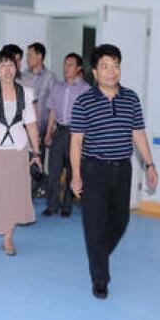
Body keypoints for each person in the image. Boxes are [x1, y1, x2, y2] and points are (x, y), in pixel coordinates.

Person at [70, 44, 158, 300]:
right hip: (94, 169)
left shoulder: (130, 98)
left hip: (122, 169)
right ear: (95, 72)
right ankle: (100, 279)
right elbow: (76, 142)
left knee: (121, 220)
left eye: (116, 66)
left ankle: (97, 254)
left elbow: (138, 133)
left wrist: (150, 164)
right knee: (95, 224)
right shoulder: (84, 101)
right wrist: (76, 175)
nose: (111, 72)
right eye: (105, 67)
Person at [0, 50, 41, 256]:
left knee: (13, 194)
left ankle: (7, 237)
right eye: (3, 65)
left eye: (11, 65)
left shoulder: (26, 93)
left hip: (18, 149)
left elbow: (31, 125)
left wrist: (36, 153)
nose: (7, 69)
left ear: (16, 68)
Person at [42, 53, 90, 217]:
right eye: (65, 64)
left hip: (76, 135)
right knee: (53, 171)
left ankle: (67, 206)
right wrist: (49, 131)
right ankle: (52, 205)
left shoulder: (85, 89)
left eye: (70, 65)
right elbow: (52, 111)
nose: (66, 68)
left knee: (72, 171)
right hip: (59, 133)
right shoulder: (57, 87)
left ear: (78, 68)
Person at [22, 42, 57, 198]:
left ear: (39, 56)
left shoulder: (50, 78)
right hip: (21, 128)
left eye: (30, 55)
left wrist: (49, 131)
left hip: (40, 128)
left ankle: (31, 194)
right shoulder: (22, 75)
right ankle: (24, 193)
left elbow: (53, 106)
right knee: (21, 163)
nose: (27, 58)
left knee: (36, 162)